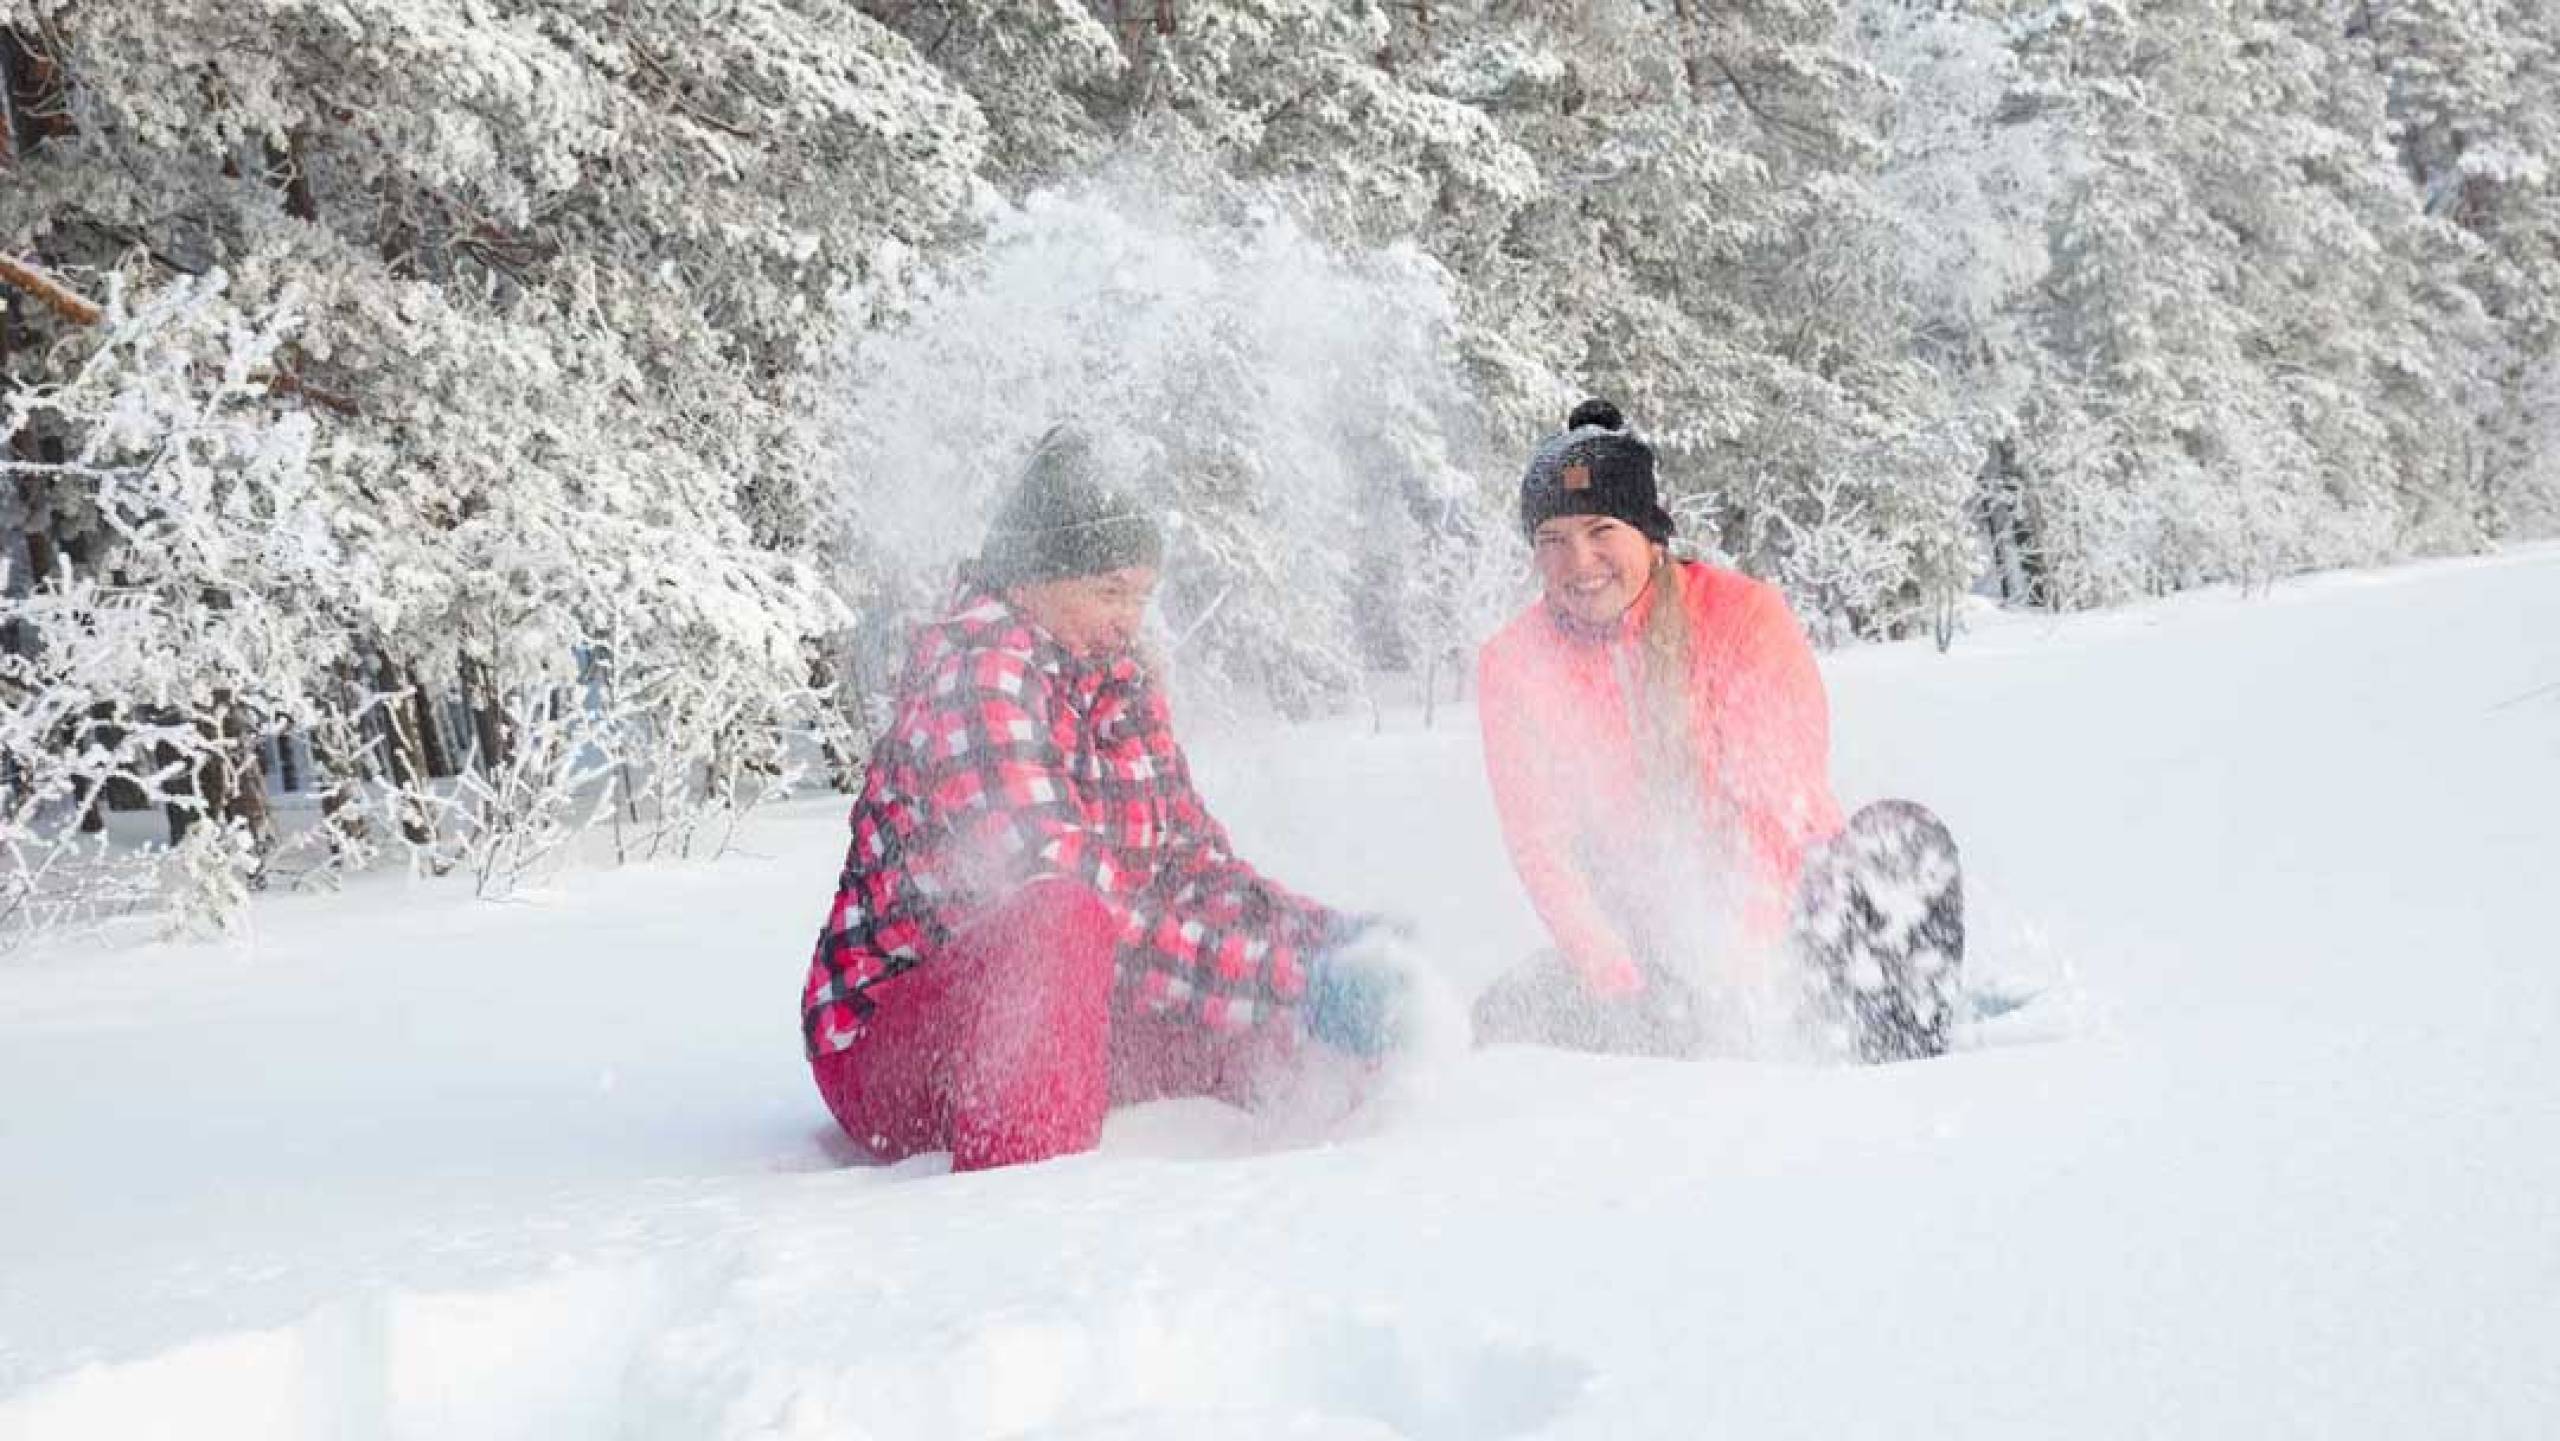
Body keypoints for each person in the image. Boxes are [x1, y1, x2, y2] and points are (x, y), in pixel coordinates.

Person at [800, 426, 1410, 1172]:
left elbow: (1190, 867)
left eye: (1141, 595)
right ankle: (1028, 1210)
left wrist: (1322, 942)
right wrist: (1287, 978)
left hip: (1070, 1010)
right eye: (1108, 592)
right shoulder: (977, 673)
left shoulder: (1119, 680)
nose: (1128, 617)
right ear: (1029, 581)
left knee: (1287, 1040)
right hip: (899, 1040)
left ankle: (1362, 1150)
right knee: (1063, 916)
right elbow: (1069, 899)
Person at [1470, 400, 1963, 1062]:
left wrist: (1736, 968)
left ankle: (1890, 1071)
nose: (1578, 560)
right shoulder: (1514, 664)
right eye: (1551, 540)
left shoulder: (1742, 616)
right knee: (1499, 1020)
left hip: (1790, 921)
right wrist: (1617, 978)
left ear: (1649, 532)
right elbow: (1541, 846)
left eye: (1599, 529)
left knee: (1901, 841)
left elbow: (1781, 803)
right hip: (1643, 946)